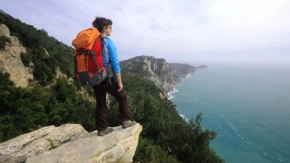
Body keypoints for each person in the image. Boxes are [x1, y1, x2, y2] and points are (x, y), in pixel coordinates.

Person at [92, 17, 136, 136]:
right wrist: (119, 82)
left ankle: (102, 129)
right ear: (104, 28)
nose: (112, 29)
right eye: (110, 27)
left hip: (94, 78)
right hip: (106, 77)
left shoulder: (92, 42)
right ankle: (126, 121)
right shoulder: (108, 42)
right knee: (122, 97)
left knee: (101, 103)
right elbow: (115, 63)